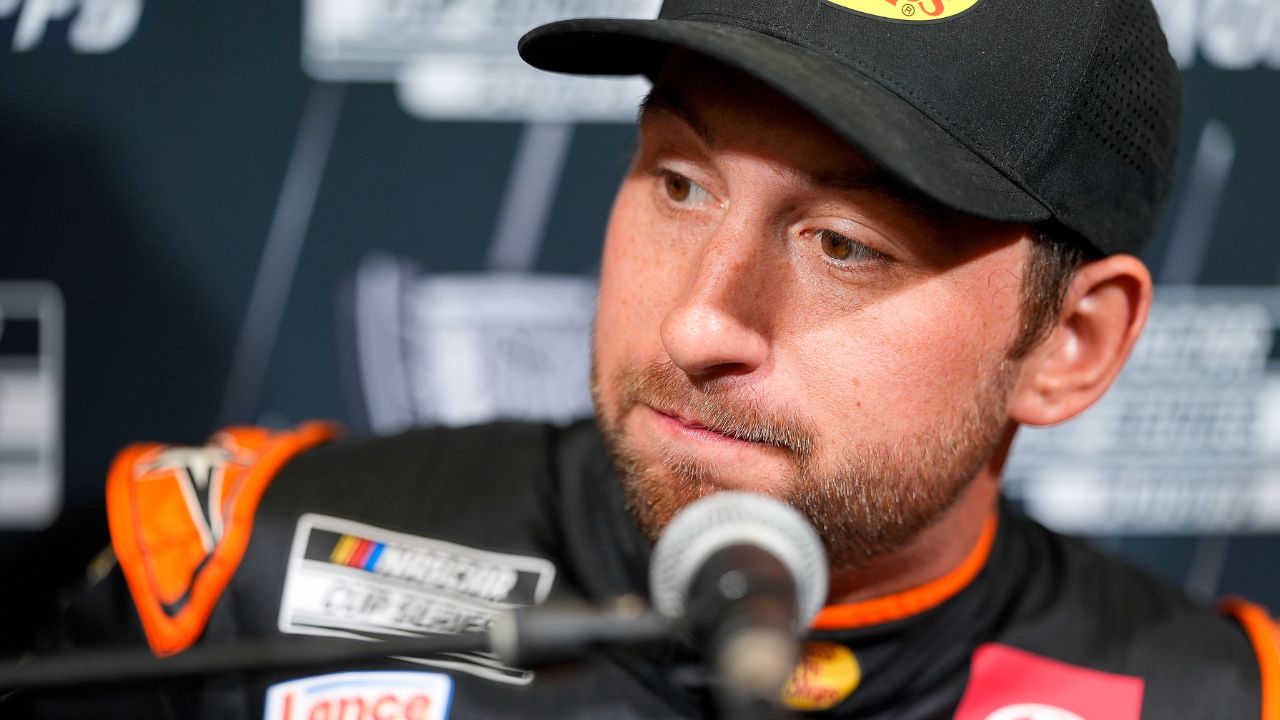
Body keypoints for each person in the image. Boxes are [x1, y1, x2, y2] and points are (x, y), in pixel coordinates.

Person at [5, 0, 1278, 718]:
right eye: (678, 182)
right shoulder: (245, 580)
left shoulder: (1206, 701)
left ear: (1070, 343)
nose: (695, 325)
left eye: (843, 243)